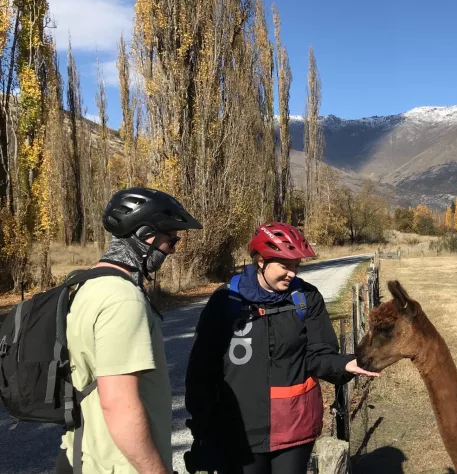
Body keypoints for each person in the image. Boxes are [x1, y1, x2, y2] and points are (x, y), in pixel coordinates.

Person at [183, 222, 378, 474]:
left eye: (296, 266)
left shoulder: (307, 298)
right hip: (239, 430)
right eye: (285, 266)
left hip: (294, 428)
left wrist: (345, 364)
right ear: (261, 262)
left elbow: (318, 355)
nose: (293, 274)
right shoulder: (225, 301)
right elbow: (202, 369)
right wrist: (202, 431)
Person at [58, 187, 203, 474]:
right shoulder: (122, 298)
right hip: (118, 464)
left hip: (84, 454)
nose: (173, 249)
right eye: (171, 239)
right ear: (144, 235)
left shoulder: (84, 285)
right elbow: (119, 404)